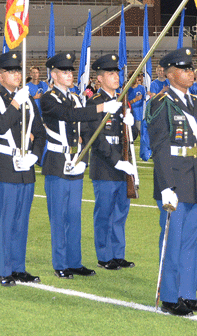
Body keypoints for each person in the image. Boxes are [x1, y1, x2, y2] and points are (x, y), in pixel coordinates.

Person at [146, 47, 197, 316]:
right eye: (185, 69)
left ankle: (187, 294)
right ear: (169, 74)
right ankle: (169, 296)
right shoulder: (160, 103)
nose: (190, 73)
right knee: (172, 240)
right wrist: (165, 186)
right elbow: (160, 148)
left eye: (191, 69)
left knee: (191, 241)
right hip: (174, 178)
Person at [40, 52, 121, 279]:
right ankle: (60, 263)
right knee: (59, 216)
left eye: (70, 71)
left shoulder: (76, 98)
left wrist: (83, 160)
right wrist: (102, 108)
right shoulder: (48, 98)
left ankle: (74, 261)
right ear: (54, 75)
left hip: (75, 162)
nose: (69, 75)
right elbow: (68, 115)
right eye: (64, 72)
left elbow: (86, 130)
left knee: (74, 215)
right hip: (57, 163)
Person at [0, 51, 46, 287]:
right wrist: (17, 102)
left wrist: (35, 156)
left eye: (18, 70)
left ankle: (18, 268)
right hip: (3, 167)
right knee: (4, 221)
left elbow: (40, 132)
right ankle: (4, 269)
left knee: (21, 222)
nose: (17, 74)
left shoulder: (27, 99)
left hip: (24, 168)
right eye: (11, 71)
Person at [83, 54, 137, 271]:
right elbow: (95, 138)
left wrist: (132, 125)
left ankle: (118, 253)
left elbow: (133, 136)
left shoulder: (123, 100)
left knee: (120, 211)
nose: (116, 77)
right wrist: (117, 161)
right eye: (111, 74)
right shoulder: (95, 103)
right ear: (100, 79)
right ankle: (104, 256)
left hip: (123, 162)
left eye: (117, 73)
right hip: (106, 166)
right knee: (104, 212)